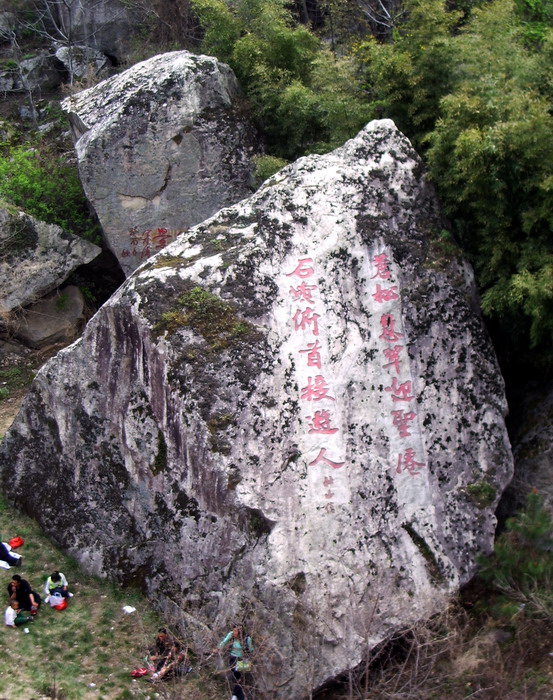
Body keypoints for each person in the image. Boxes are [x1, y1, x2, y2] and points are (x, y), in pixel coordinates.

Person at [218, 624, 253, 700]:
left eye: (236, 631)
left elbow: (251, 650)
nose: (234, 632)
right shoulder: (231, 635)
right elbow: (224, 642)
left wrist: (247, 649)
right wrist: (218, 648)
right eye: (233, 630)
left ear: (240, 631)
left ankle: (235, 696)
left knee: (238, 676)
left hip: (242, 660)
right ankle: (239, 696)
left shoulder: (247, 639)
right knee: (237, 676)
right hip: (233, 659)